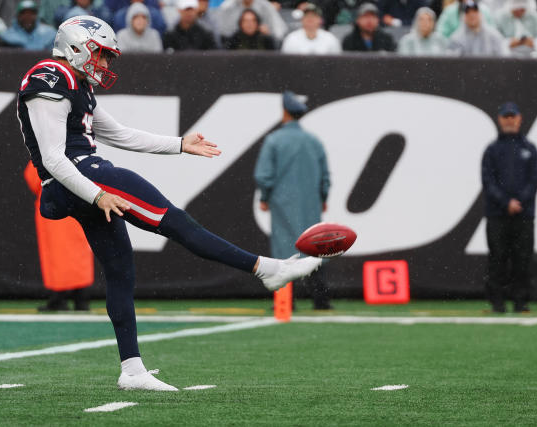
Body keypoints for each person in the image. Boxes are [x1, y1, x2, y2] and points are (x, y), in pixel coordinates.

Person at [17, 15, 321, 391]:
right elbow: (53, 158)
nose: (106, 64)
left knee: (120, 270)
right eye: (102, 54)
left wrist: (179, 144)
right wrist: (97, 193)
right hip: (80, 175)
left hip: (78, 179)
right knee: (176, 222)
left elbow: (121, 135)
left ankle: (132, 370)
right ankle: (264, 269)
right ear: (77, 46)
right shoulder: (50, 75)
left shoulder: (78, 83)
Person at [254, 91, 332, 310]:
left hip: (282, 203)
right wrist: (323, 197)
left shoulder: (274, 140)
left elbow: (263, 175)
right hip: (310, 203)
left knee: (284, 250)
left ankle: (285, 301)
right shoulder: (313, 141)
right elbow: (325, 176)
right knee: (315, 247)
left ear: (285, 112)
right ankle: (321, 299)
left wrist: (265, 197)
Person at [482, 102, 537, 314]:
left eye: (512, 116)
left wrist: (520, 202)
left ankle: (521, 302)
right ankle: (497, 302)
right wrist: (506, 203)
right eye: (505, 117)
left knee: (522, 258)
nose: (509, 120)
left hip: (524, 215)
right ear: (500, 120)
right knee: (498, 257)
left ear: (519, 118)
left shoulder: (529, 149)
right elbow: (488, 181)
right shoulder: (492, 150)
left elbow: (535, 180)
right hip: (497, 214)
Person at [24, 162, 94, 312]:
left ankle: (59, 297)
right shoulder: (77, 146)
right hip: (77, 201)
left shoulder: (46, 149)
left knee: (58, 253)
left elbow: (34, 179)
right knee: (78, 250)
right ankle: (80, 296)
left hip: (54, 204)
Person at [216, 0, 288, 41]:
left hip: (261, 47)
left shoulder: (265, 6)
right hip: (235, 47)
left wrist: (269, 34)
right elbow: (221, 33)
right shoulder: (227, 7)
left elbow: (280, 31)